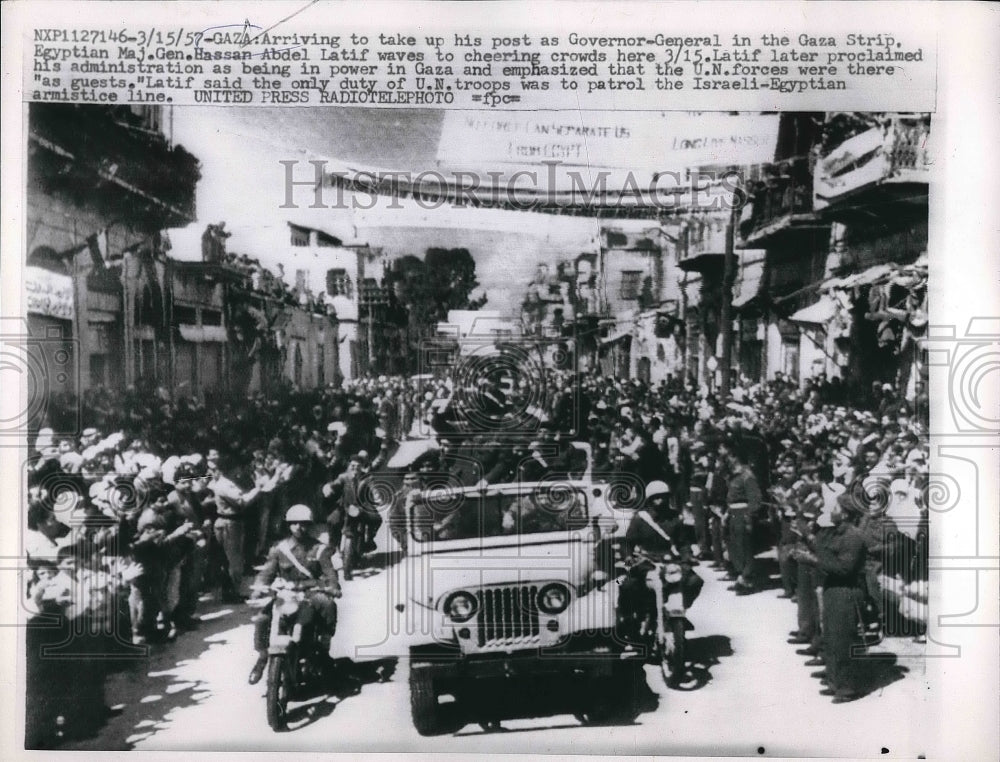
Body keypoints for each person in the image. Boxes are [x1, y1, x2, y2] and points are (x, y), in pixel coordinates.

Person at [247, 504, 343, 685]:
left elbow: (329, 572)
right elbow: (267, 572)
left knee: (328, 605)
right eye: (294, 523)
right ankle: (262, 657)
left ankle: (323, 650)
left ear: (310, 525)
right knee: (261, 619)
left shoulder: (319, 549)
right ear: (288, 525)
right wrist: (260, 587)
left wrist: (333, 586)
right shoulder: (279, 549)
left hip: (311, 592)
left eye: (304, 523)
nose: (299, 527)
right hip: (286, 594)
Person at [620, 481, 704, 634]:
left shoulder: (675, 518)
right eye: (655, 497)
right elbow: (627, 544)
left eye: (663, 497)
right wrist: (629, 561)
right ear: (649, 499)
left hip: (670, 563)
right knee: (627, 587)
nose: (659, 500)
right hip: (645, 563)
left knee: (695, 581)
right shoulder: (640, 519)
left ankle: (678, 613)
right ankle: (633, 620)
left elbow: (683, 543)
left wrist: (687, 558)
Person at [723, 442, 763, 594]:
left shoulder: (747, 475)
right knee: (735, 547)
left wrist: (749, 516)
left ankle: (747, 578)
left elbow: (755, 499)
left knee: (744, 547)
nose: (729, 460)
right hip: (733, 513)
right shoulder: (734, 475)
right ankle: (741, 575)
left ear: (737, 458)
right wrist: (727, 513)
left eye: (731, 457)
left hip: (743, 513)